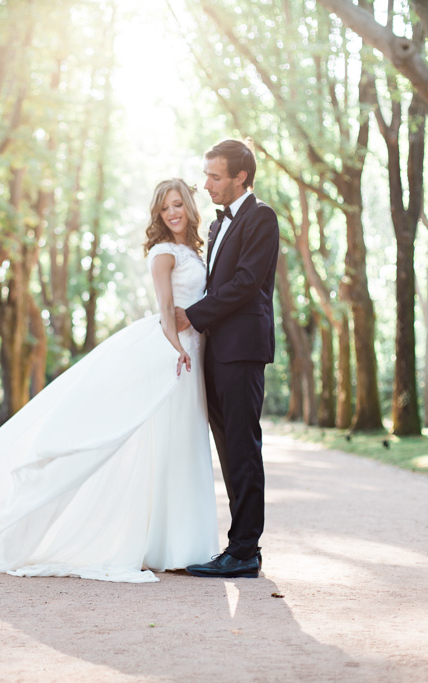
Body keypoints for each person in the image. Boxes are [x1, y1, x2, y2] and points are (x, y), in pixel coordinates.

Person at [0, 179, 219, 583]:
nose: (172, 213)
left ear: (189, 206)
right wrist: (178, 351)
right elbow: (164, 308)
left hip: (194, 352)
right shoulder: (164, 253)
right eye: (164, 208)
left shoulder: (193, 250)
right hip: (174, 356)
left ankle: (180, 545)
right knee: (162, 439)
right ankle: (158, 544)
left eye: (177, 205)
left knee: (183, 443)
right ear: (157, 215)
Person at [175, 139, 279, 579]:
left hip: (242, 351)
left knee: (242, 447)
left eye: (215, 176)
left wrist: (191, 316)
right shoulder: (218, 227)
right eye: (207, 175)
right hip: (215, 350)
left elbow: (244, 284)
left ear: (241, 177)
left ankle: (245, 551)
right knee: (227, 448)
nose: (207, 184)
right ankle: (238, 547)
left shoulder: (262, 218)